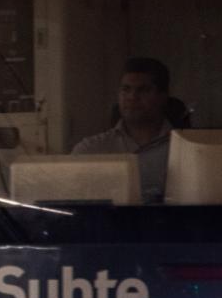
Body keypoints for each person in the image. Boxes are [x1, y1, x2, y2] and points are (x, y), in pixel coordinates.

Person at [71, 57, 185, 204]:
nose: (132, 97)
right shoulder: (91, 150)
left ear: (162, 96)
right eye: (126, 89)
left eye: (143, 90)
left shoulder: (185, 151)